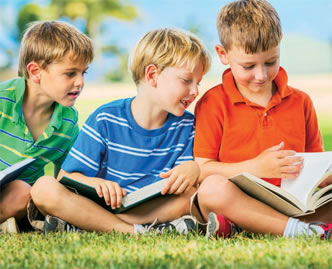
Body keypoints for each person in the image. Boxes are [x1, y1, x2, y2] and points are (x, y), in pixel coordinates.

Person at [30, 28, 210, 235]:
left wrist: (192, 169)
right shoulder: (106, 118)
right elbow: (66, 177)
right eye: (187, 80)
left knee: (190, 195)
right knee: (44, 188)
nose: (195, 91)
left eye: (198, 83)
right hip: (101, 204)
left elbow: (187, 185)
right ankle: (137, 231)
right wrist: (94, 182)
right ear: (152, 75)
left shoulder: (188, 126)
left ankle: (89, 225)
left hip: (148, 209)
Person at [194, 0, 332, 239]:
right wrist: (255, 167)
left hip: (293, 203)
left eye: (271, 62)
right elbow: (201, 169)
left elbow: (315, 166)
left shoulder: (301, 102)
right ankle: (299, 231)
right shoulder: (213, 102)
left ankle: (242, 226)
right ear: (223, 54)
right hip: (236, 200)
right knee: (211, 190)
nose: (261, 75)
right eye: (248, 66)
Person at [0, 21, 94, 233]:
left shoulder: (67, 121)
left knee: (21, 192)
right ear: (35, 72)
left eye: (84, 73)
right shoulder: (2, 99)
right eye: (70, 73)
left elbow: (66, 176)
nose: (80, 82)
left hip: (15, 198)